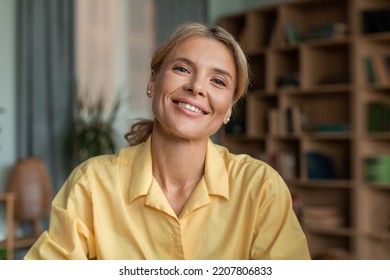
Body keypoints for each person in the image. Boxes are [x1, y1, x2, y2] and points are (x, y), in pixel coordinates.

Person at [25, 22, 310, 260]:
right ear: (153, 81)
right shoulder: (92, 184)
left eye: (218, 82)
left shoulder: (261, 189)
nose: (196, 87)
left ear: (229, 110)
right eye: (183, 69)